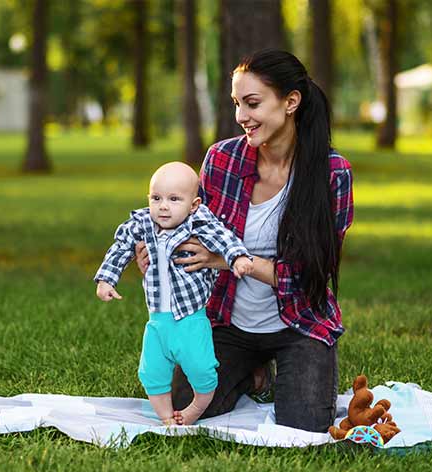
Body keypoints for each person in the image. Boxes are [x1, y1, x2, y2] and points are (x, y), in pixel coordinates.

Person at [136, 49, 354, 432]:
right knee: (187, 406)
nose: (241, 117)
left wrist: (230, 261)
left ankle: (272, 367)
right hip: (228, 322)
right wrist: (158, 257)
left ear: (291, 102)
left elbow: (311, 275)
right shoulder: (221, 159)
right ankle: (254, 373)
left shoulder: (331, 173)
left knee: (302, 427)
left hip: (299, 323)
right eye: (237, 104)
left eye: (252, 103)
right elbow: (190, 234)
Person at [94, 162, 255, 426]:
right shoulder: (143, 222)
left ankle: (193, 410)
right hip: (157, 323)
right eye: (156, 198)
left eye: (174, 199)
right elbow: (121, 246)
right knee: (151, 372)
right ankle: (167, 417)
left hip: (190, 321)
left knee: (202, 371)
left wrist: (237, 257)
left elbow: (223, 238)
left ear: (193, 204)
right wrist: (106, 280)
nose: (163, 206)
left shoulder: (198, 222)